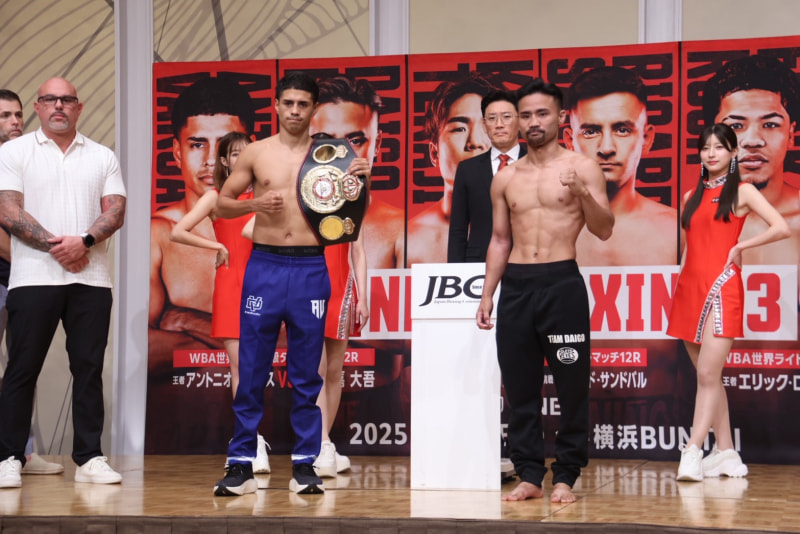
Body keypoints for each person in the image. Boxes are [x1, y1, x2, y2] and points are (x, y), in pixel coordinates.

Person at [212, 72, 371, 496]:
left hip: (310, 267)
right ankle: (240, 465)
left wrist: (361, 179)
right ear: (277, 106)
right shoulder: (257, 152)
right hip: (264, 265)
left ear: (314, 108)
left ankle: (305, 465)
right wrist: (255, 203)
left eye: (303, 104)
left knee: (306, 373)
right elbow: (222, 205)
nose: (295, 111)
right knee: (251, 370)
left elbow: (351, 216)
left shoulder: (332, 154)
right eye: (288, 103)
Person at [476, 79, 614, 503]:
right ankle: (530, 474)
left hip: (561, 283)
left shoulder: (582, 167)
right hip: (516, 287)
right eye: (526, 115)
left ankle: (566, 475)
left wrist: (582, 193)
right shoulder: (505, 177)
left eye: (542, 113)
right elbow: (500, 239)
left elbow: (604, 229)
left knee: (571, 387)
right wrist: (487, 294)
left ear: (561, 117)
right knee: (520, 389)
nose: (533, 122)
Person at [0, 77, 127, 488]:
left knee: (88, 369)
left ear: (79, 107)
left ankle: (89, 458)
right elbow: (8, 210)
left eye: (67, 99)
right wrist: (60, 247)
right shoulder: (14, 152)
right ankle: (9, 457)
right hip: (32, 278)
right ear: (38, 107)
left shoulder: (102, 156)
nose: (59, 105)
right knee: (22, 368)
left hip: (91, 280)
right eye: (50, 99)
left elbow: (116, 210)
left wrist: (84, 242)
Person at [668, 123, 790, 482]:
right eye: (705, 147)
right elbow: (690, 247)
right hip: (689, 289)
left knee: (708, 375)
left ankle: (692, 450)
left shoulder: (743, 191)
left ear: (733, 153)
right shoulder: (690, 195)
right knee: (709, 377)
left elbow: (780, 227)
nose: (711, 154)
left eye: (719, 147)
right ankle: (726, 453)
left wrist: (741, 247)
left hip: (722, 287)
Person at [169, 131, 270, 473]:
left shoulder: (262, 196)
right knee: (241, 368)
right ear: (224, 161)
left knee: (258, 367)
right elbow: (178, 231)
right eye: (236, 153)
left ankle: (251, 438)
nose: (243, 158)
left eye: (248, 152)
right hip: (230, 284)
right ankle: (250, 439)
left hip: (264, 284)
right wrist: (217, 246)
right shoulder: (215, 198)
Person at [150, 77, 255, 349]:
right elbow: (146, 345)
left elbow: (297, 335)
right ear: (177, 152)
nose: (211, 160)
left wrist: (186, 320)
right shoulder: (158, 234)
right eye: (197, 144)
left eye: (225, 144)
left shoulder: (270, 215)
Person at [306, 75, 372, 477]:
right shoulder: (301, 180)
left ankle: (325, 442)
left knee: (334, 370)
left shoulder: (354, 184)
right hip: (307, 282)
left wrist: (363, 295)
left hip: (340, 286)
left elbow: (358, 248)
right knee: (312, 370)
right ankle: (316, 444)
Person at [0, 89, 64, 477]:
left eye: (18, 114)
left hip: (25, 279)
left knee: (23, 365)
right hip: (9, 274)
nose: (14, 121)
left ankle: (22, 452)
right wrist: (41, 258)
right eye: (5, 115)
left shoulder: (25, 161)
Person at [702, 55, 800, 299]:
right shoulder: (691, 216)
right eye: (735, 126)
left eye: (770, 124)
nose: (753, 141)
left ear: (791, 134)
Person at [564, 66, 677, 266]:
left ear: (647, 139)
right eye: (591, 132)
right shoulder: (549, 230)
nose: (606, 148)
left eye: (622, 130)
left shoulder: (675, 229)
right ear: (569, 141)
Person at [407, 72, 503, 265]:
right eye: (460, 129)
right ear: (434, 153)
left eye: (487, 128)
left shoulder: (523, 227)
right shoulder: (409, 241)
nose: (475, 142)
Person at [448, 89, 526, 262]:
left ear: (520, 121)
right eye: (492, 118)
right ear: (484, 125)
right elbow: (458, 229)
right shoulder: (467, 170)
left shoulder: (537, 164)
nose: (499, 124)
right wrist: (456, 271)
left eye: (506, 117)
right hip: (479, 264)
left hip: (528, 264)